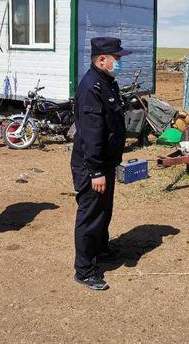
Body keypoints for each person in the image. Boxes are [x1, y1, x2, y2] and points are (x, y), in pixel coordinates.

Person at [71, 37, 131, 291]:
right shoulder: (91, 87)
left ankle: (101, 248)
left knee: (104, 210)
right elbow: (92, 133)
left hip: (105, 161)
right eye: (117, 58)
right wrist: (95, 170)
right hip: (91, 164)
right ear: (102, 59)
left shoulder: (106, 82)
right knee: (91, 214)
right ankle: (84, 269)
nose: (119, 62)